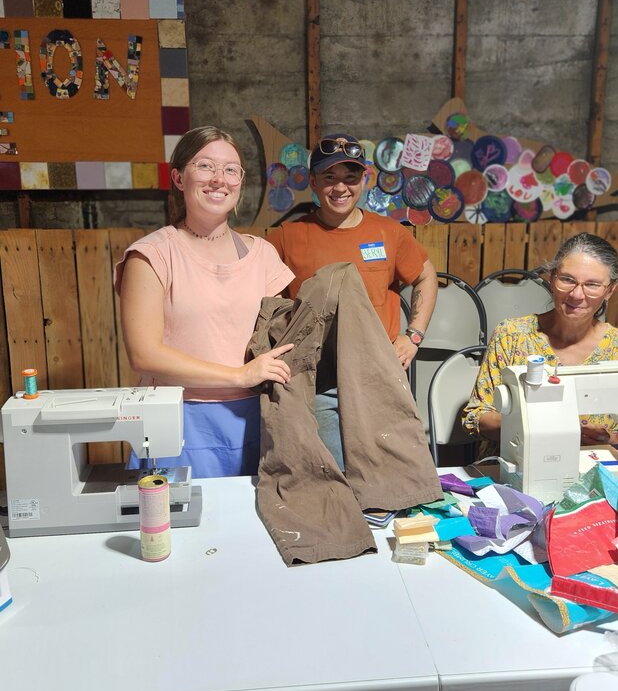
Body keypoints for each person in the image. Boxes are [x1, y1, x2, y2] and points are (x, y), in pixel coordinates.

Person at [114, 126, 296, 478]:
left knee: (255, 528)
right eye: (206, 166)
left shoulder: (263, 256)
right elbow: (144, 354)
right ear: (179, 178)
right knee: (177, 530)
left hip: (256, 417)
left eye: (231, 170)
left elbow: (282, 339)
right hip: (178, 418)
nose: (219, 179)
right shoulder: (152, 255)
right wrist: (239, 375)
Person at [266, 132, 438, 468]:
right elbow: (262, 304)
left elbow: (425, 276)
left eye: (351, 177)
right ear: (313, 182)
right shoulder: (286, 238)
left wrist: (413, 335)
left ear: (365, 180)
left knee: (391, 474)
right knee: (335, 479)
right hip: (318, 384)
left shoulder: (389, 233)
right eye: (329, 177)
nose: (340, 187)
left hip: (380, 377)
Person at [462, 232, 618, 457]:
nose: (577, 294)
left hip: (594, 469)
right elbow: (476, 417)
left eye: (593, 285)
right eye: (567, 279)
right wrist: (542, 429)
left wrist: (609, 437)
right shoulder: (512, 336)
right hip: (514, 467)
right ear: (551, 278)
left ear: (610, 290)